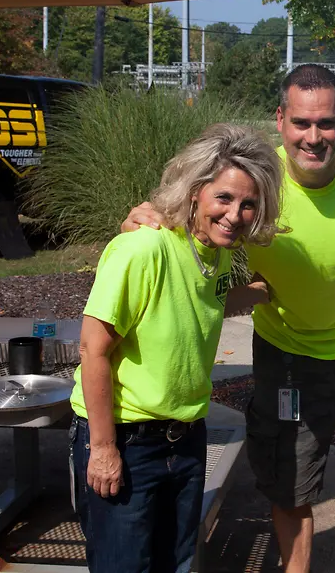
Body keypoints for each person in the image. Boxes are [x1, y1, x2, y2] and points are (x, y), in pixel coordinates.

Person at [123, 64, 335, 573]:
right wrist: (138, 218)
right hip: (285, 351)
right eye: (302, 124)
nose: (314, 138)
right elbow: (186, 214)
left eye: (326, 124)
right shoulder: (257, 177)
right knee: (288, 474)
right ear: (281, 120)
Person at [70, 123, 283, 573]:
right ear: (194, 193)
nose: (235, 214)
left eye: (248, 204)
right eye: (223, 198)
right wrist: (104, 450)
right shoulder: (144, 248)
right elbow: (93, 350)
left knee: (178, 563)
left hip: (185, 437)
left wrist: (266, 291)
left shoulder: (216, 253)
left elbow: (208, 300)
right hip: (127, 439)